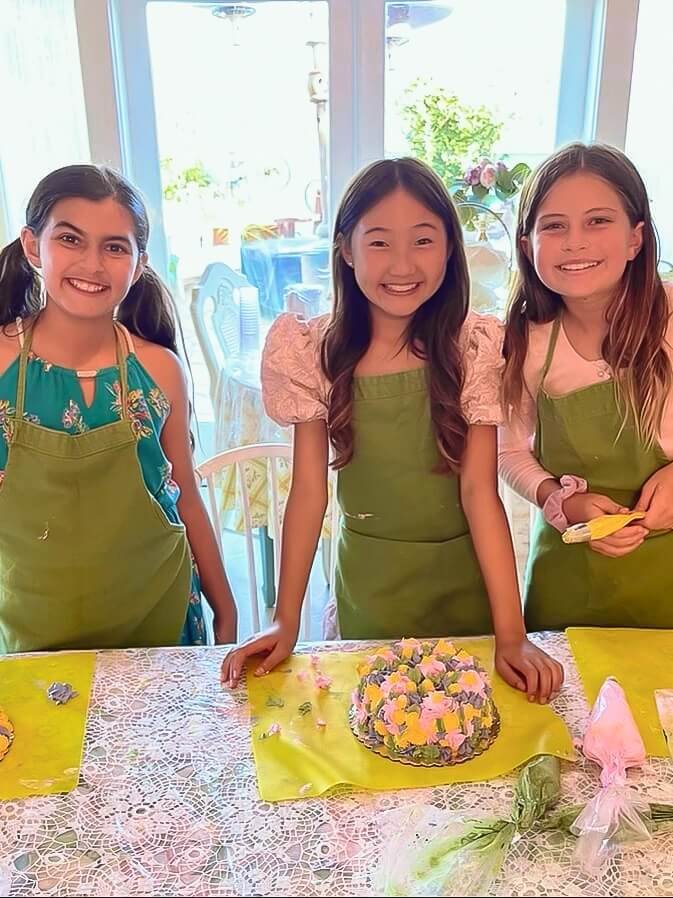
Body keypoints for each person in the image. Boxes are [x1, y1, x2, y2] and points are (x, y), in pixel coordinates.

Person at [222, 157, 562, 702]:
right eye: (379, 242)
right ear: (345, 249)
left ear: (450, 249)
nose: (402, 264)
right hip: (369, 590)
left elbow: (480, 493)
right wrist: (285, 621)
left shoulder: (473, 349)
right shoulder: (313, 352)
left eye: (423, 240)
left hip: (462, 586)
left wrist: (512, 635)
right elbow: (309, 494)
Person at [0, 164, 237, 652]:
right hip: (34, 631)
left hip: (160, 624)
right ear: (31, 245)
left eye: (114, 247)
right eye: (70, 239)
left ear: (140, 262)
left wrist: (226, 609)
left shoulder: (160, 369)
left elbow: (186, 495)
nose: (92, 263)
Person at [499, 142, 673, 629]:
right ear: (528, 246)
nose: (575, 242)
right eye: (554, 225)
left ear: (636, 238)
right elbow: (508, 453)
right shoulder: (525, 346)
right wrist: (564, 501)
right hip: (568, 585)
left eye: (598, 221)